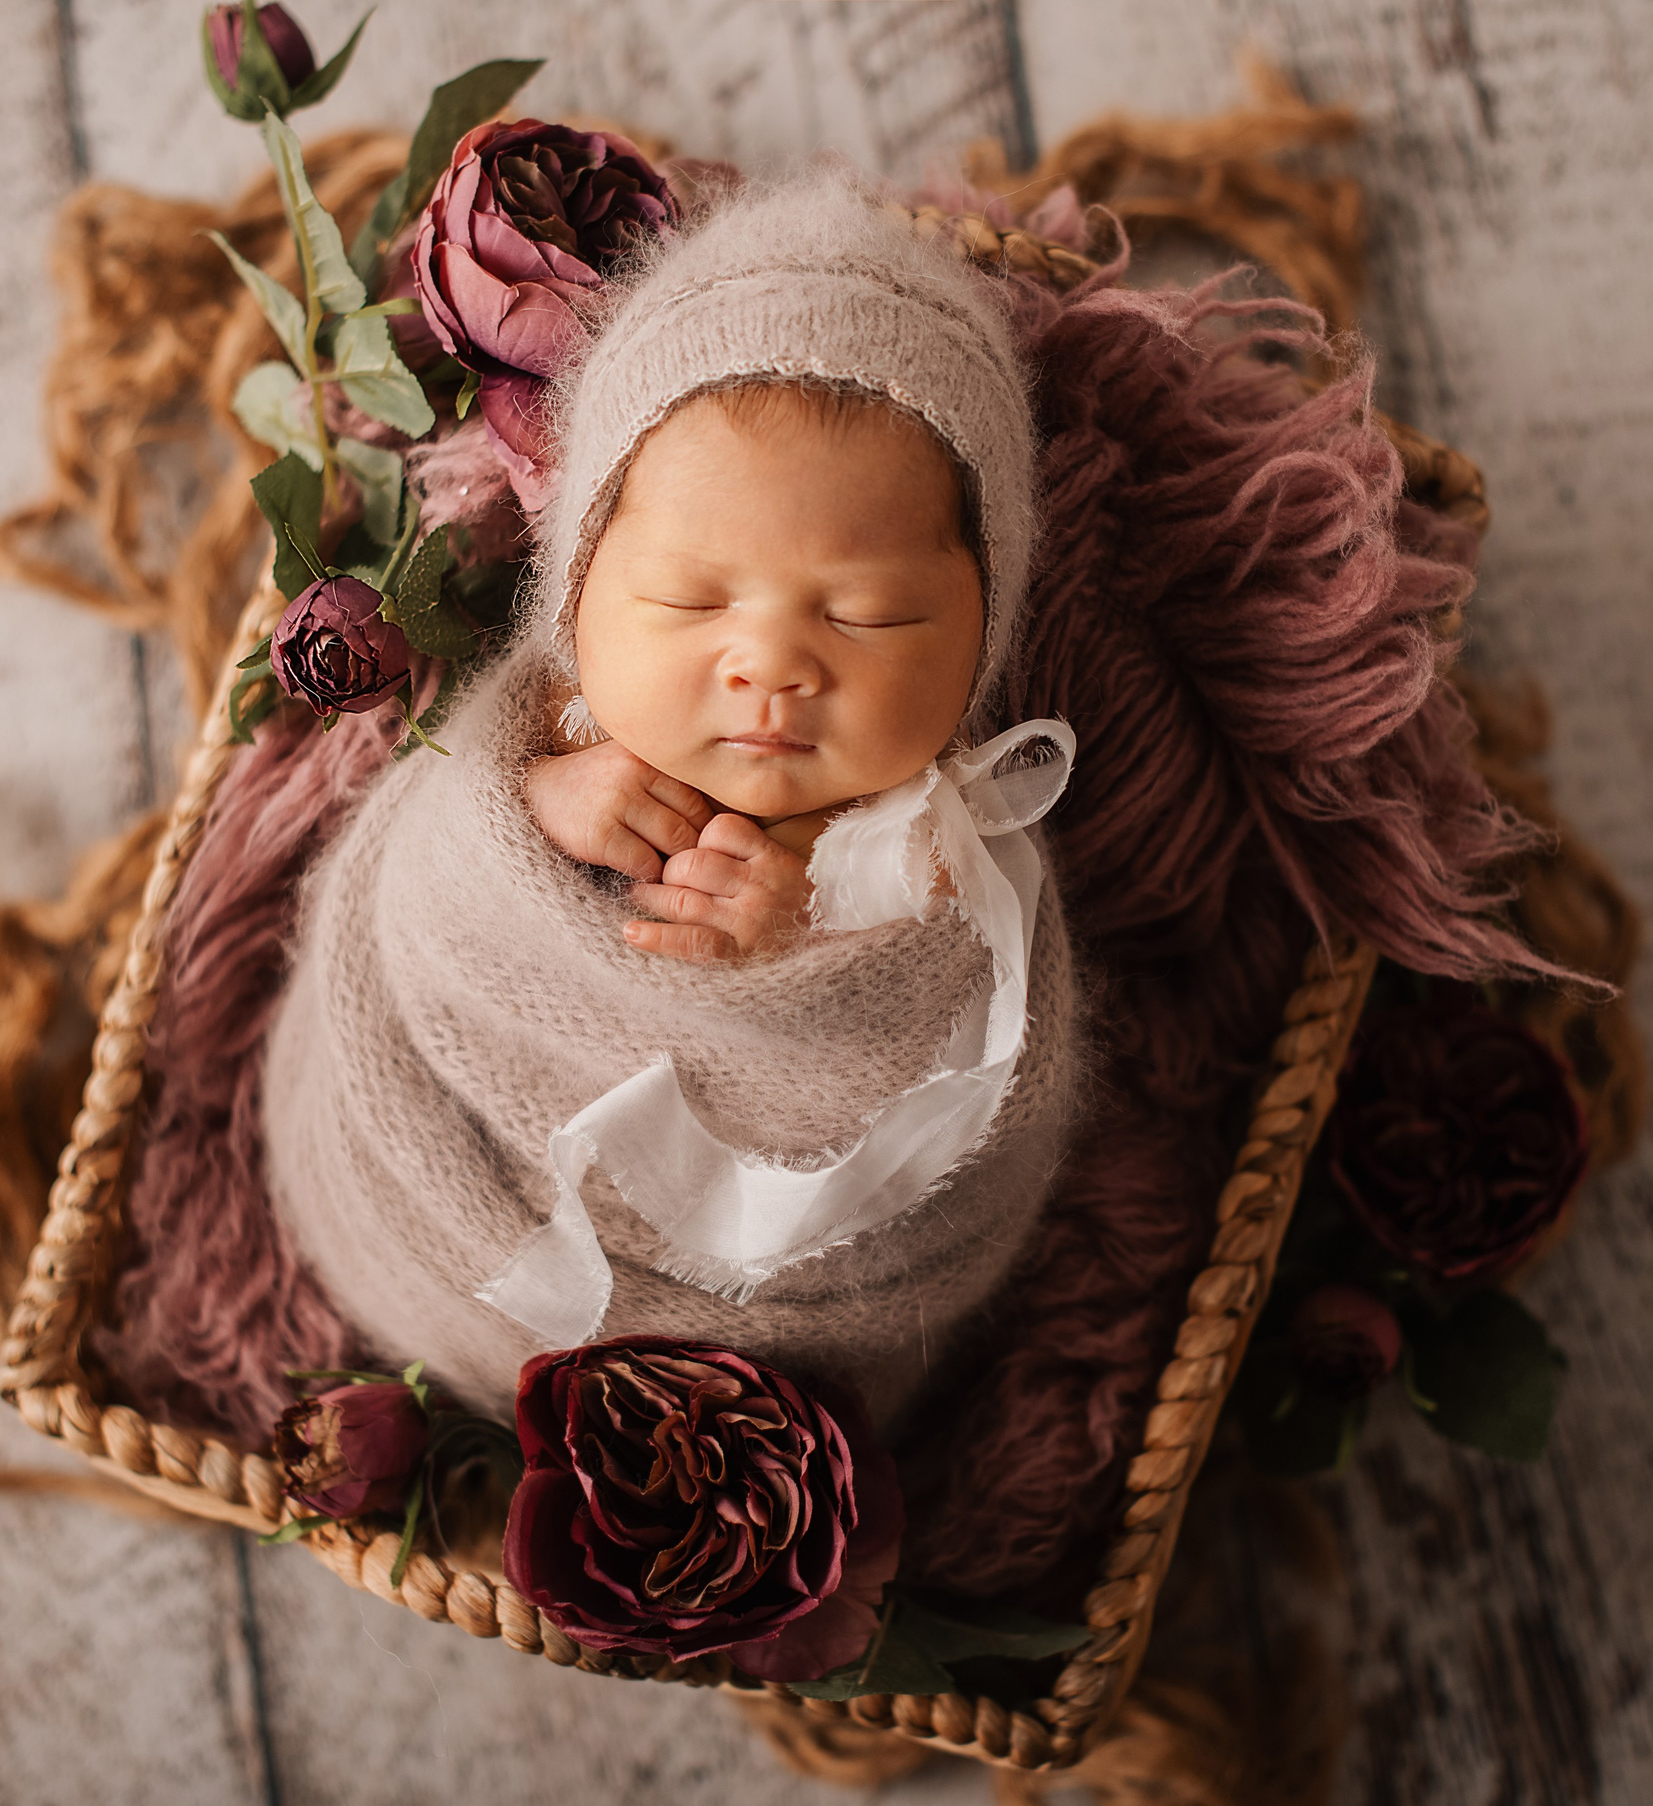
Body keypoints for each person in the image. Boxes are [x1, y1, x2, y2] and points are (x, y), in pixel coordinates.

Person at [260, 178, 1085, 1432]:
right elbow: (411, 906)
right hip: (447, 1201)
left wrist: (818, 930)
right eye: (694, 602)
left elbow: (973, 1068)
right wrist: (525, 809)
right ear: (577, 589)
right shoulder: (549, 733)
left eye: (868, 616)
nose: (771, 667)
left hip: (751, 1355)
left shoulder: (933, 844)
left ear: (984, 632)